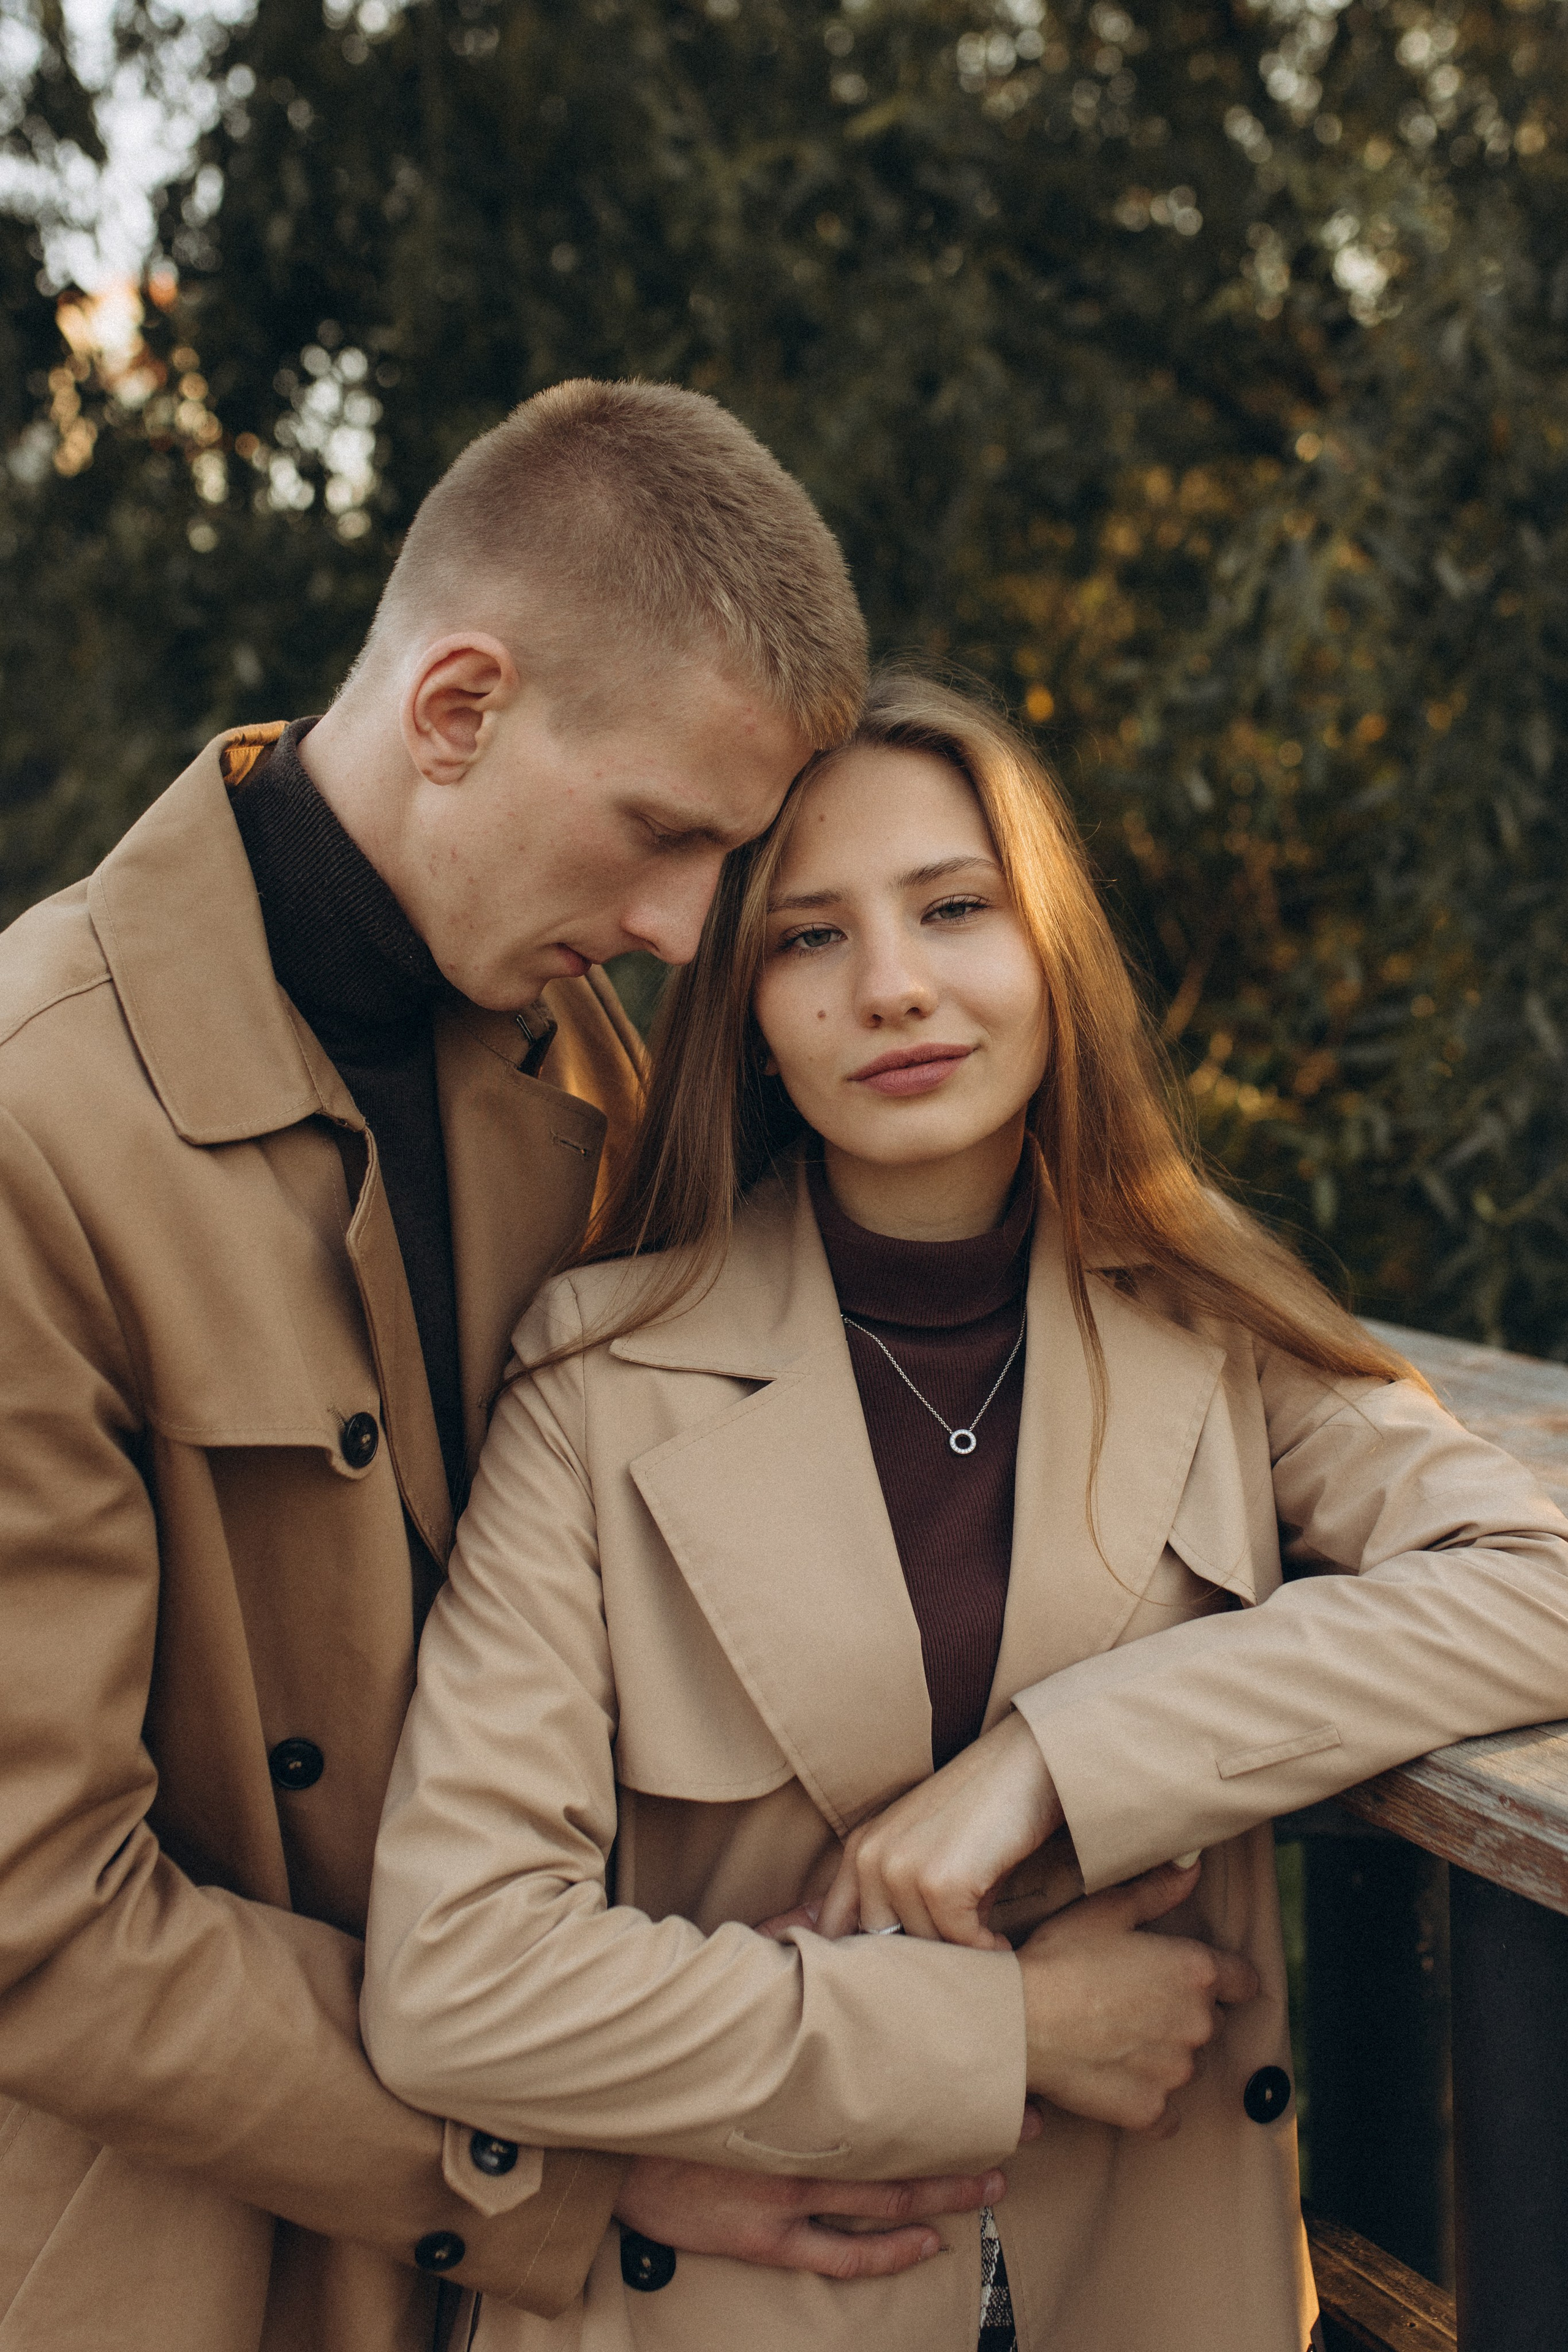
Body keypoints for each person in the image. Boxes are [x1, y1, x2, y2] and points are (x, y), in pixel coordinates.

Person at [363, 672, 1568, 2352]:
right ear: (747, 1007)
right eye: (808, 939)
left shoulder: (1203, 1317)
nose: (896, 987)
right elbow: (458, 1979)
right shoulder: (601, 1381)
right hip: (734, 2309)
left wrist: (1055, 1765)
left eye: (954, 908)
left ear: (1051, 950)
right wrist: (992, 2030)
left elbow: (1540, 1579)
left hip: (1156, 2288)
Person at [0, 386, 1011, 2352]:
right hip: (182, 2272)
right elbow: (32, 1921)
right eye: (663, 835)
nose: (677, 931)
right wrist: (578, 2167)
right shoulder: (33, 1124)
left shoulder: (585, 1070)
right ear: (456, 707)